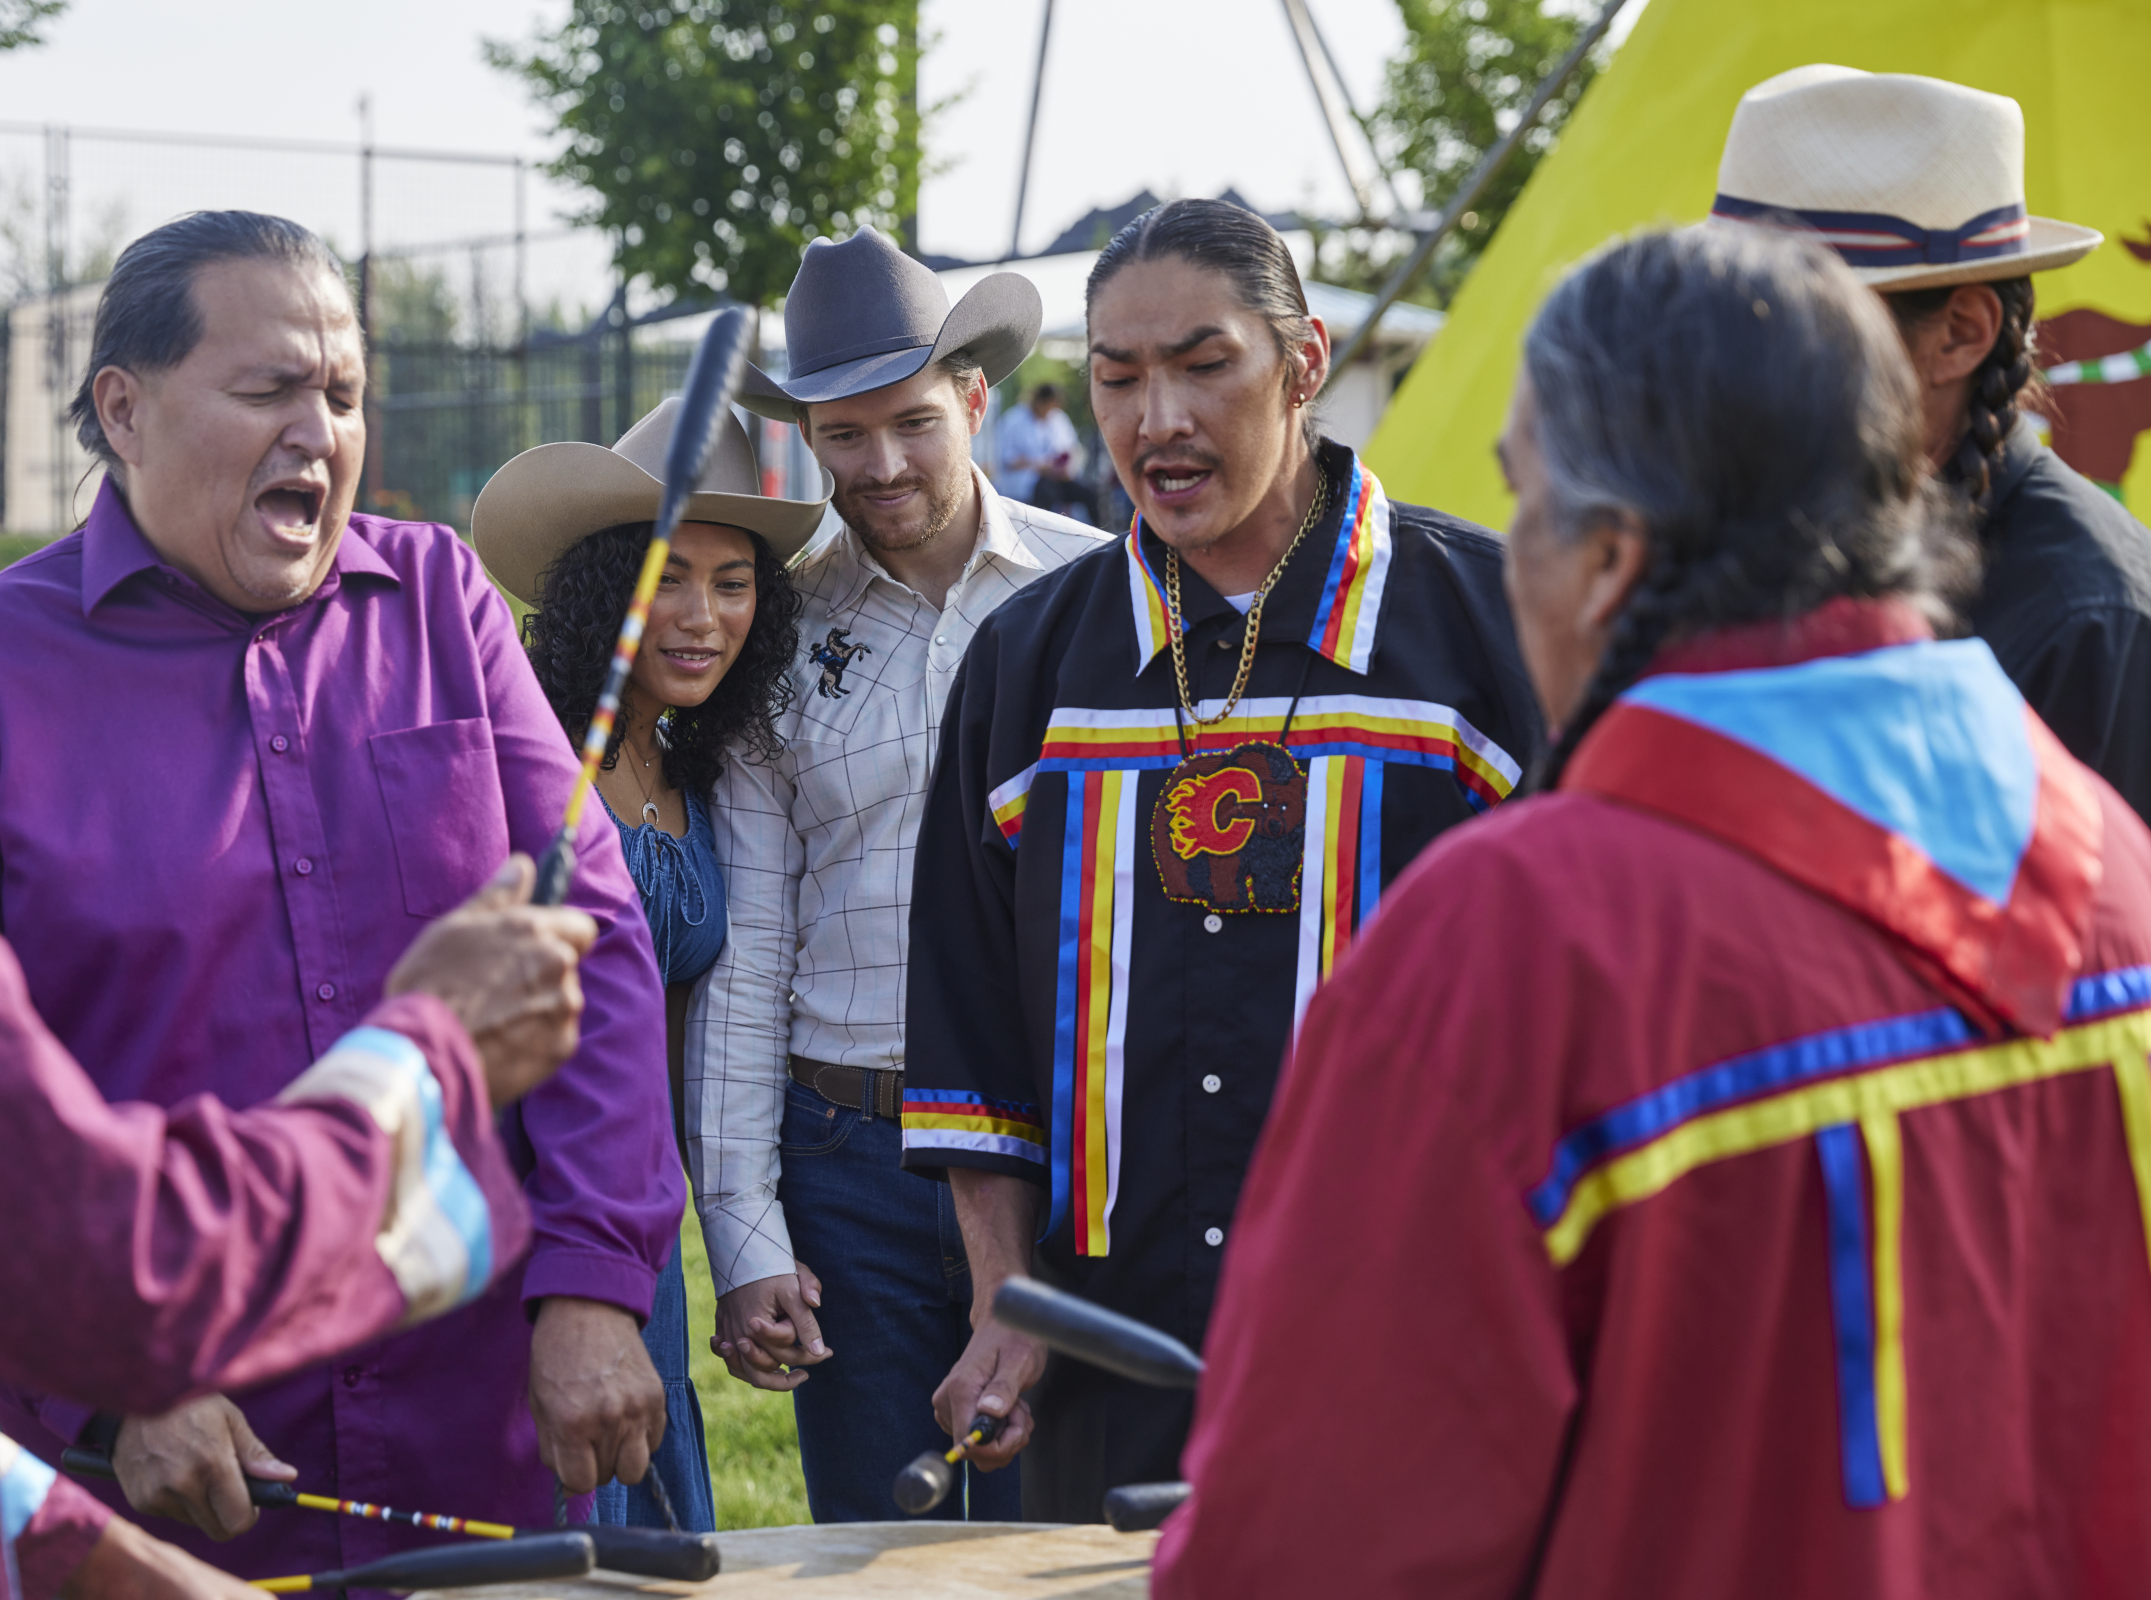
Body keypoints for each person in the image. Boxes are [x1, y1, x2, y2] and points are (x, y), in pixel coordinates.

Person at [1158, 224, 2151, 1599]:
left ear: (1609, 559)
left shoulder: (1517, 946)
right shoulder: (2109, 864)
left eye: (1525, 499)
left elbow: (1304, 1561)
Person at [0, 201, 600, 1597]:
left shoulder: (443, 600)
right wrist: (432, 1053)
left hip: (448, 1436)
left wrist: (85, 1554)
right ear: (123, 411)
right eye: (269, 390)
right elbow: (81, 1245)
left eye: (343, 394)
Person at [905, 197, 1543, 1519]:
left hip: (1415, 1355)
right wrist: (1004, 1298)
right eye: (1117, 378)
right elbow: (972, 1030)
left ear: (1305, 362)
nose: (1159, 421)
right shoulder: (1030, 666)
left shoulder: (1495, 634)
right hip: (1104, 1363)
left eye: (1205, 365)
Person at [688, 224, 1106, 1522]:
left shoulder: (1097, 594)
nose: (879, 465)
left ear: (974, 401)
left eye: (912, 422)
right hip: (848, 1155)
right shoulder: (774, 632)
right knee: (875, 1541)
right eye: (844, 435)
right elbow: (750, 944)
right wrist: (745, 1230)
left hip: (1057, 1150)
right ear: (807, 439)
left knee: (1059, 1547)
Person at [472, 398, 830, 1533]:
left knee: (652, 1530)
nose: (701, 617)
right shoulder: (520, 751)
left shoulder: (692, 766)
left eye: (733, 584)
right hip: (525, 1220)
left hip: (634, 1218)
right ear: (600, 589)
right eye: (665, 578)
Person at [1704, 65, 2151, 820]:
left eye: (1790, 317)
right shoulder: (1758, 537)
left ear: (1961, 335)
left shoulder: (2090, 616)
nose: (1734, 359)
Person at [999, 381, 1094, 521]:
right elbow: (1007, 459)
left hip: (1057, 479)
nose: (1051, 411)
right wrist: (1040, 465)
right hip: (1027, 484)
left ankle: (1098, 531)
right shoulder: (1012, 420)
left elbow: (1072, 448)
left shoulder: (1058, 418)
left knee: (1088, 494)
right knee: (1047, 494)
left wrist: (1067, 467)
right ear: (1039, 402)